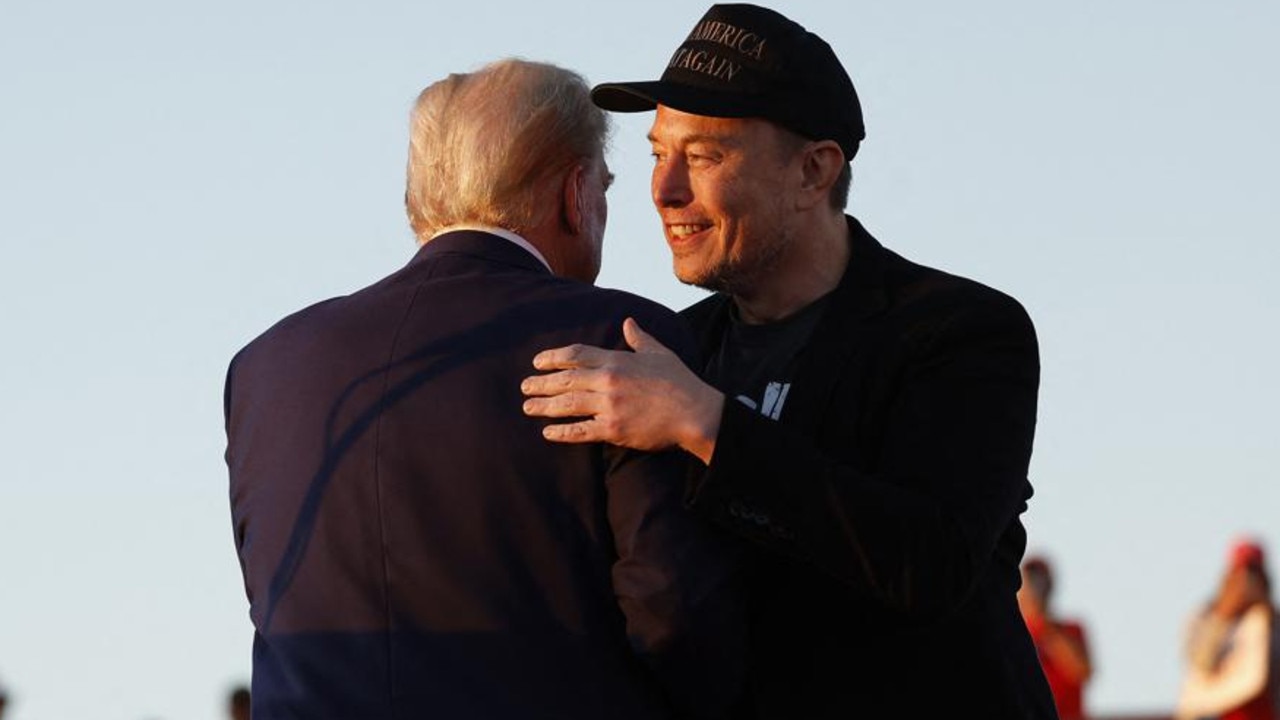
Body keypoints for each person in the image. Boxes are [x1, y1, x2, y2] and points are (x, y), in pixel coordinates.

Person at [520, 4, 1056, 717]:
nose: (664, 189)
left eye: (703, 156)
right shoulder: (667, 349)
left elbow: (930, 563)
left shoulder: (961, 331)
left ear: (813, 171)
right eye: (656, 153)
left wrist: (705, 425)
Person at [224, 58, 745, 719]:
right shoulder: (624, 340)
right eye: (606, 187)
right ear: (574, 192)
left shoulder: (265, 367)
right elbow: (674, 609)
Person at [1175, 538, 1279, 720]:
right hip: (1213, 711)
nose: (1246, 582)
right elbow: (1201, 663)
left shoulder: (1270, 623)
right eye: (1239, 573)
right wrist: (1224, 616)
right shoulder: (1203, 617)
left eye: (1254, 573)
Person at [1019, 556, 1093, 719]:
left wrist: (1044, 623)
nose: (1035, 585)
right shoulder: (1015, 633)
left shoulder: (1072, 630)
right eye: (1030, 579)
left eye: (1040, 579)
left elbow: (1082, 670)